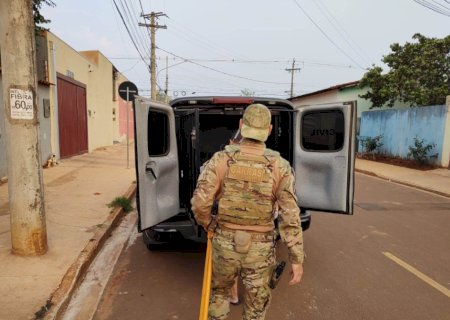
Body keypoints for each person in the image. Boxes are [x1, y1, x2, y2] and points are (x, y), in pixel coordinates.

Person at [191, 103, 304, 320]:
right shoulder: (280, 166)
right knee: (256, 306)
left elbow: (200, 203)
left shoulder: (221, 160)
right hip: (260, 249)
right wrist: (296, 258)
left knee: (219, 295)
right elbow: (290, 215)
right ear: (269, 130)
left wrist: (209, 224)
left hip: (224, 243)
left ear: (241, 125)